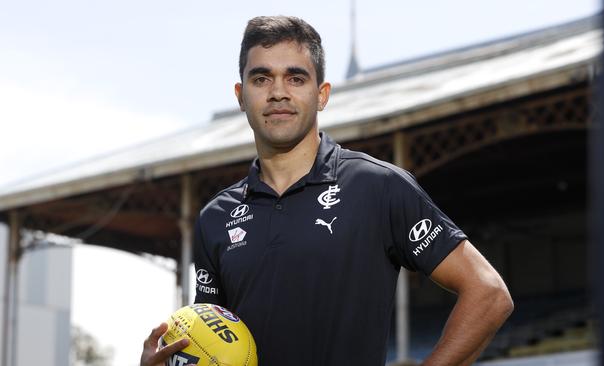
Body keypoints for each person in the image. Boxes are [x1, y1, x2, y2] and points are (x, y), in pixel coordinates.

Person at [141, 15, 513, 366]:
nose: (278, 93)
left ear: (322, 94)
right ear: (240, 95)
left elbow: (488, 293)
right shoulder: (215, 218)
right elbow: (207, 342)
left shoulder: (377, 186)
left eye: (296, 78)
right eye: (261, 79)